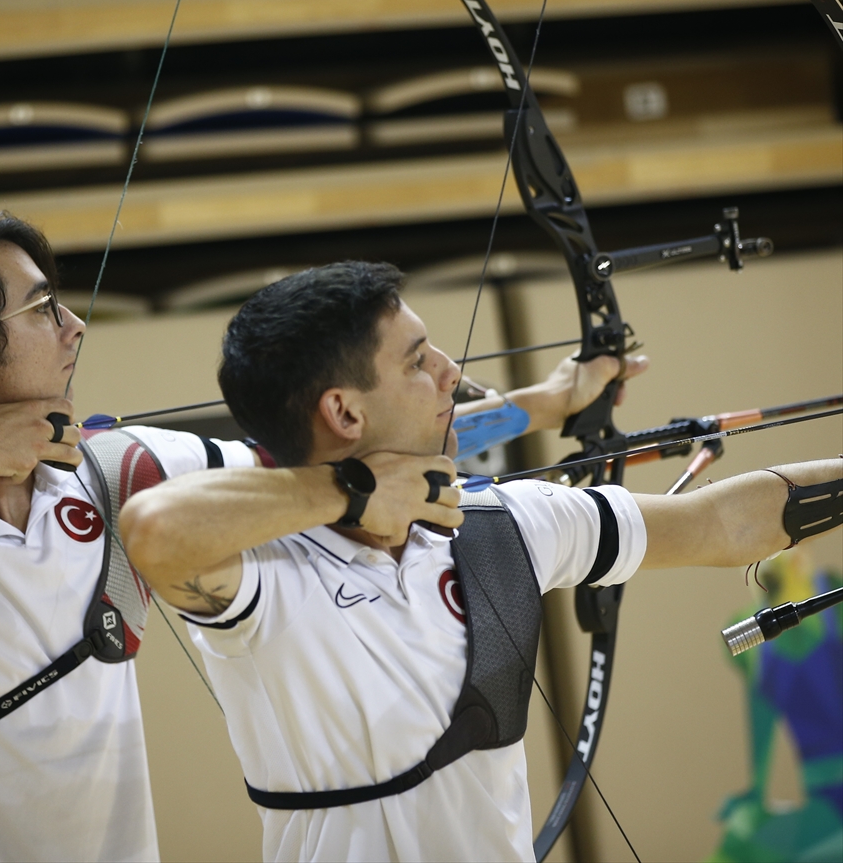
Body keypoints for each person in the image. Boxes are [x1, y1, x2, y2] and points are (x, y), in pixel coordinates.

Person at [0, 218, 641, 862]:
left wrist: (552, 402)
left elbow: (340, 455)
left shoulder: (103, 468)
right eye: (45, 309)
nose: (74, 325)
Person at [119, 261, 842, 863]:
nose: (449, 369)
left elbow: (720, 521)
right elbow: (153, 528)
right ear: (343, 413)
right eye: (417, 360)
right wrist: (358, 489)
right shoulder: (265, 568)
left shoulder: (504, 523)